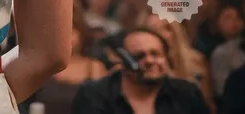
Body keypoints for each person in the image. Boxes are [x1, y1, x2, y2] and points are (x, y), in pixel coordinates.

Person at [71, 28, 209, 113]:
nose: (149, 61)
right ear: (122, 60)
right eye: (139, 56)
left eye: (155, 54)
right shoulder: (94, 95)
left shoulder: (186, 93)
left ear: (166, 58)